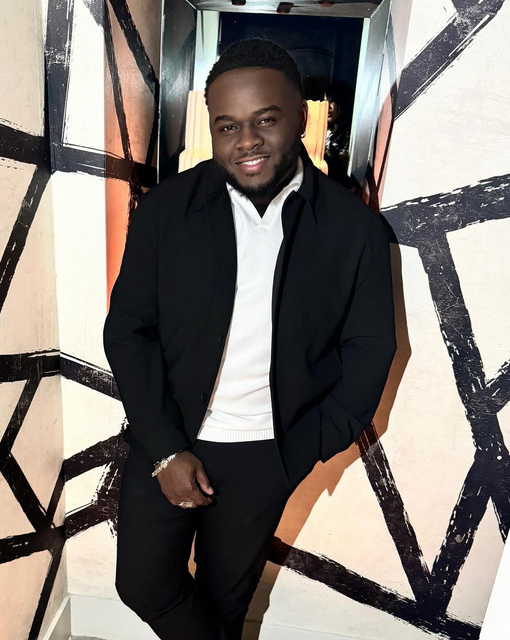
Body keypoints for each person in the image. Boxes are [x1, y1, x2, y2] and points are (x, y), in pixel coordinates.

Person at [103, 38, 396, 640]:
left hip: (266, 452)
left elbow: (371, 347)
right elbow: (129, 331)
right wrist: (164, 449)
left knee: (226, 599)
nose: (247, 141)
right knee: (142, 584)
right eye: (228, 126)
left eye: (266, 120)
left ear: (302, 117)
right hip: (170, 432)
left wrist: (304, 448)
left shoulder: (353, 229)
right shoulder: (166, 211)